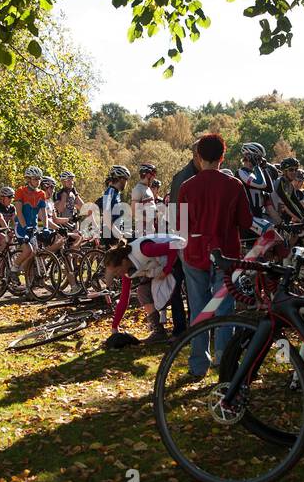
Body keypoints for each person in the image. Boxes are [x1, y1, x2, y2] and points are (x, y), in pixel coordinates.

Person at [178, 134, 252, 377]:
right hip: (226, 253)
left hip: (195, 252)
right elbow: (245, 221)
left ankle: (198, 365)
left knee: (198, 309)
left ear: (198, 156)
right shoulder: (234, 186)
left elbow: (180, 225)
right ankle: (225, 359)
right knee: (225, 308)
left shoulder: (186, 187)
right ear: (223, 156)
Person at [102, 233, 185, 343]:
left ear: (123, 262)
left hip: (179, 254)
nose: (117, 275)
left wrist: (167, 270)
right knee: (143, 291)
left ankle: (180, 332)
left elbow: (173, 246)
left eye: (116, 271)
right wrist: (114, 327)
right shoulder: (127, 271)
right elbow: (124, 298)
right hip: (159, 265)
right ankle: (159, 331)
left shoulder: (145, 250)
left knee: (174, 293)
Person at [130, 163, 159, 236]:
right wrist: (148, 219)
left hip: (151, 230)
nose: (154, 178)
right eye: (153, 175)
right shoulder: (138, 189)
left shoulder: (148, 188)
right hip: (142, 232)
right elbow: (133, 212)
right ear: (148, 175)